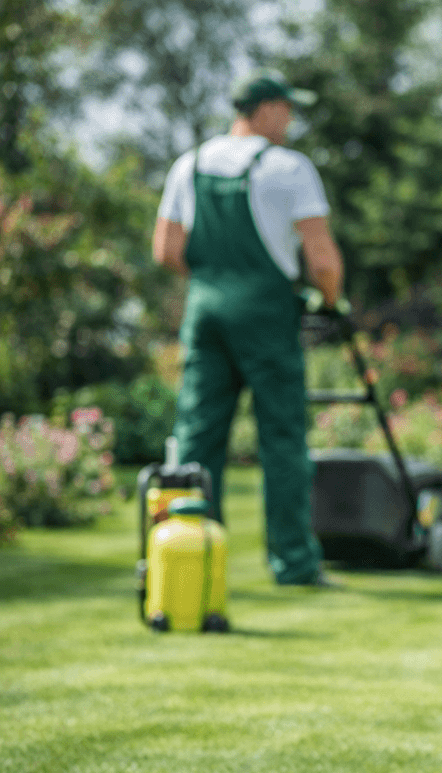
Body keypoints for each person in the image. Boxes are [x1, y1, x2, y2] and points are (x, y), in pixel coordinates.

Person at [152, 68, 343, 586]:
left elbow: (166, 250)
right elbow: (322, 261)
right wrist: (329, 301)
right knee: (281, 437)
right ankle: (293, 563)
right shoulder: (289, 167)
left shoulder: (188, 164)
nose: (292, 120)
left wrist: (219, 282)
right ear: (265, 110)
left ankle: (191, 557)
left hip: (206, 309)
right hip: (265, 313)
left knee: (197, 434)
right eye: (288, 109)